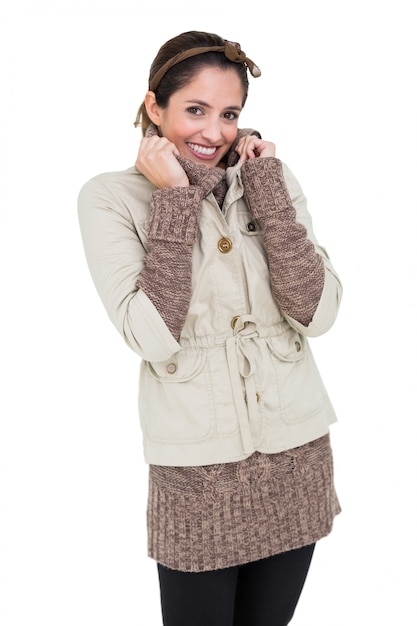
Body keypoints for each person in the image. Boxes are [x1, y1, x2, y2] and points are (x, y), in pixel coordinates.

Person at [78, 30, 342, 626]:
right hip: (197, 470)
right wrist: (174, 199)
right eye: (194, 110)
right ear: (154, 106)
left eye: (229, 114)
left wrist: (269, 194)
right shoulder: (110, 198)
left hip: (294, 452)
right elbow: (151, 335)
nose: (214, 132)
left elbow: (316, 312)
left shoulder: (268, 177)